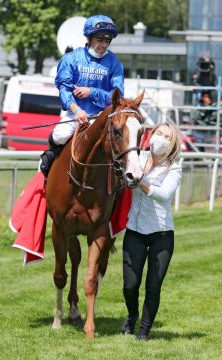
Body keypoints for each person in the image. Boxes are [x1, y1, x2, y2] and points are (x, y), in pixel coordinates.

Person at [40, 14, 124, 176]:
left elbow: (117, 97)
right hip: (75, 113)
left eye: (107, 41)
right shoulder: (71, 59)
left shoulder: (115, 63)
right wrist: (77, 110)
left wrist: (91, 92)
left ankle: (120, 185)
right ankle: (47, 162)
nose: (104, 45)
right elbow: (64, 89)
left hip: (102, 117)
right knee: (60, 135)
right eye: (100, 40)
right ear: (89, 38)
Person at [121, 122, 182, 341]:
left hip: (162, 235)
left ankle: (143, 332)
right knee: (130, 285)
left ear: (172, 143)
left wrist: (141, 181)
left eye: (167, 136)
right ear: (151, 134)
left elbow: (164, 194)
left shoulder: (173, 167)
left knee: (153, 287)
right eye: (159, 133)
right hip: (135, 231)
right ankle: (132, 315)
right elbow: (124, 177)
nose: (161, 138)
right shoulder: (137, 158)